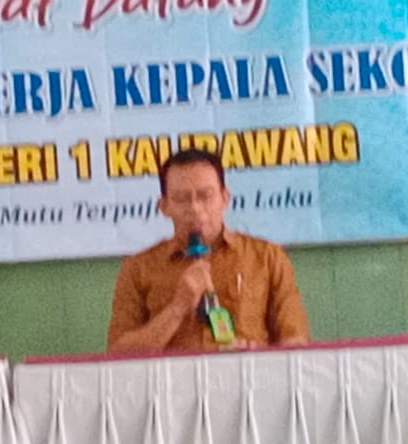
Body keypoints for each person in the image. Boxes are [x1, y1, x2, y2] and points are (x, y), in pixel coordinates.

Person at [108, 148, 310, 351]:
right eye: (181, 198)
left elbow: (296, 343)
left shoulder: (267, 258)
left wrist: (254, 354)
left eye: (205, 196)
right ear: (164, 206)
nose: (195, 208)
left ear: (225, 198)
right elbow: (117, 355)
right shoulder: (138, 269)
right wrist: (177, 309)